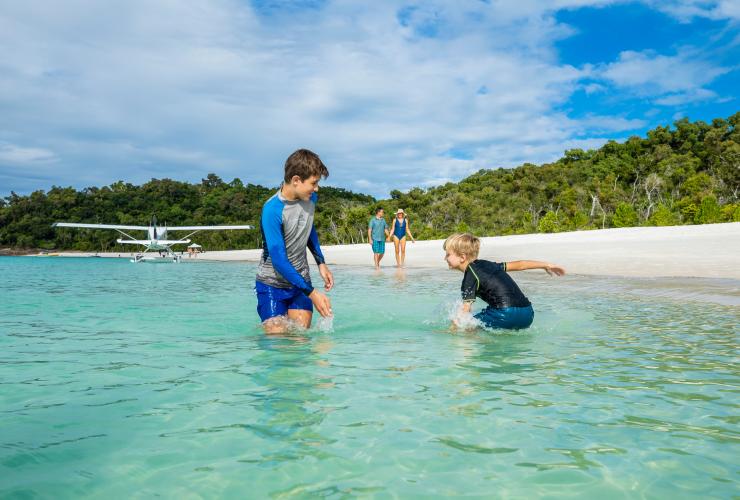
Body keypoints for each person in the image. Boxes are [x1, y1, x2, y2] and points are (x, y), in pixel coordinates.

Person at [255, 149, 335, 334]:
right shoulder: (272, 210)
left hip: (300, 281)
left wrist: (321, 262)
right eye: (313, 183)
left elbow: (308, 227)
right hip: (271, 284)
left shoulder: (310, 198)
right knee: (277, 339)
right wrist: (313, 293)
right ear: (296, 180)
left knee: (299, 340)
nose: (316, 188)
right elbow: (279, 260)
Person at [443, 233, 565, 330]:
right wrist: (546, 265)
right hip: (527, 313)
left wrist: (454, 328)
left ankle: (467, 358)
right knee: (479, 321)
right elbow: (520, 265)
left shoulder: (470, 274)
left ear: (462, 257)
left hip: (505, 314)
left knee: (468, 327)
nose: (445, 258)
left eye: (448, 254)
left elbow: (466, 309)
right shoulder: (489, 265)